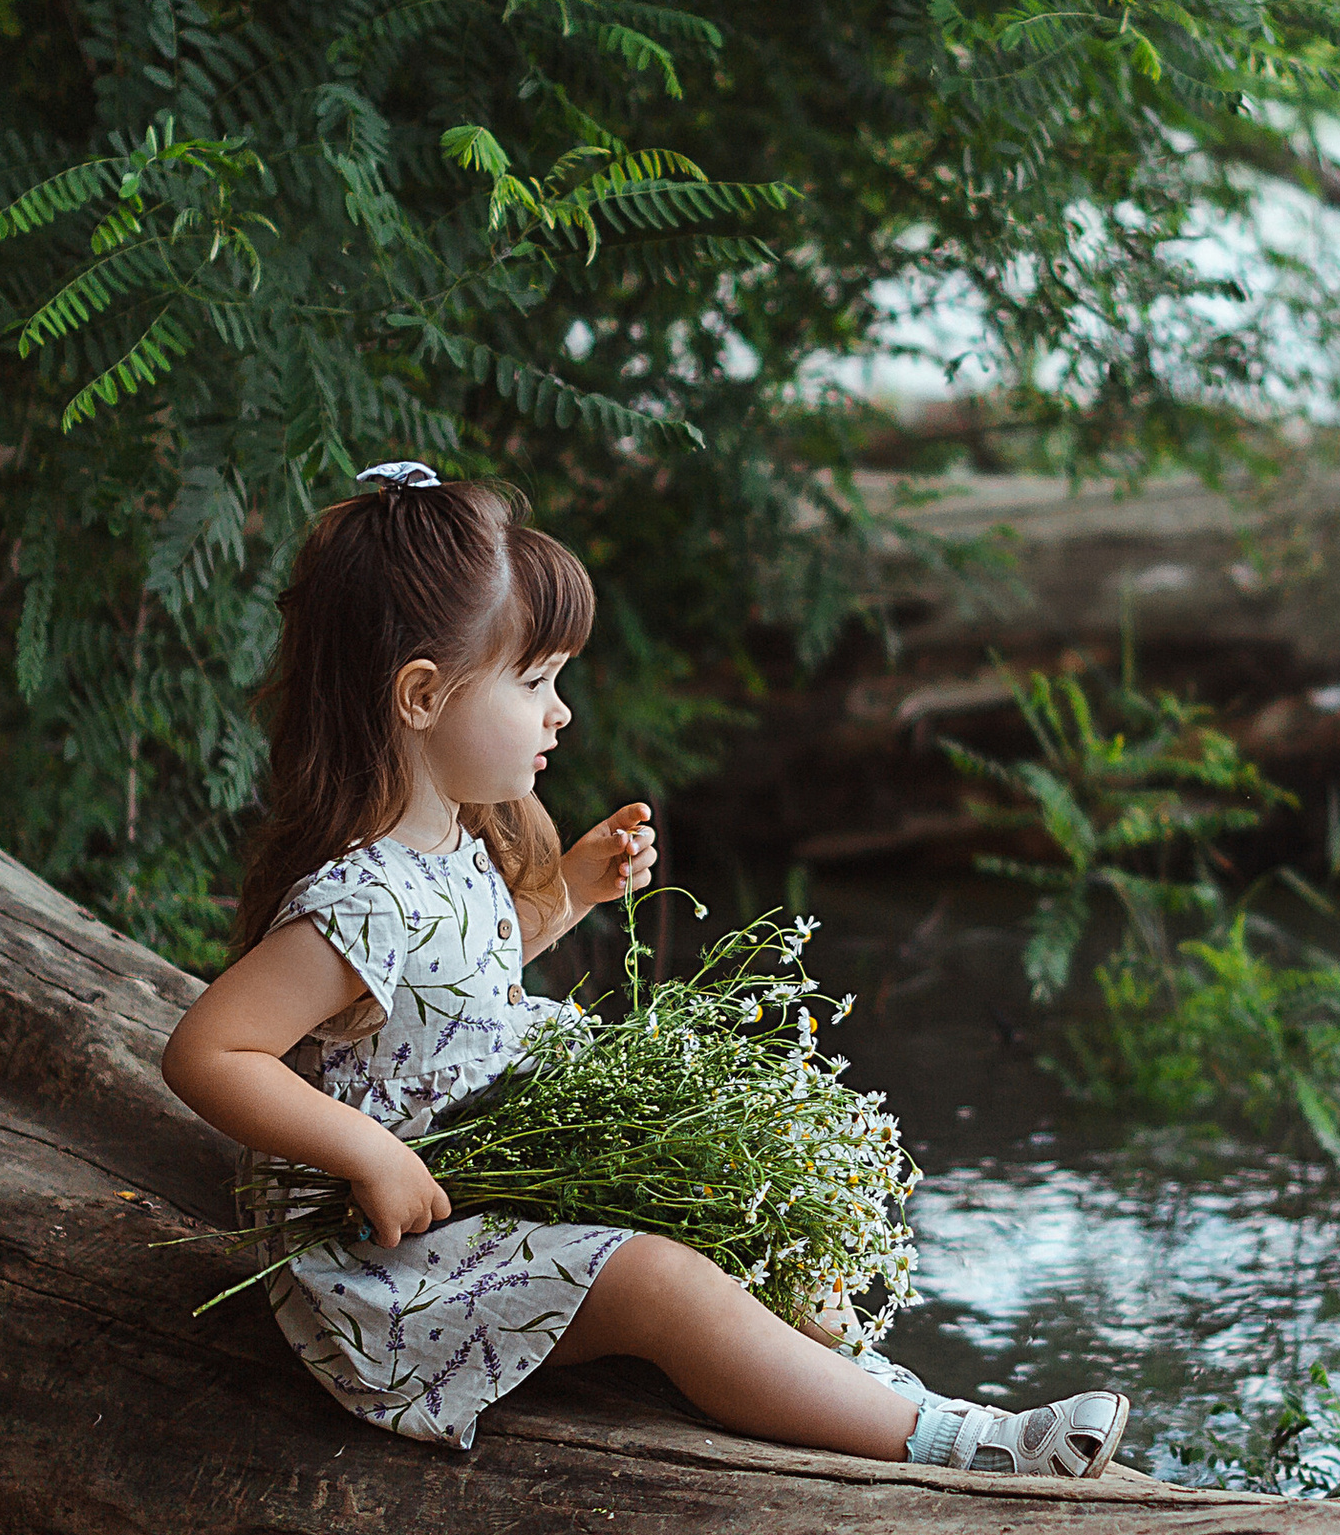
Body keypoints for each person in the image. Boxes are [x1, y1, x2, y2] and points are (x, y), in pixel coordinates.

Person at [161, 461, 1130, 1478]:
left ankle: (891, 1392)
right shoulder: (359, 897)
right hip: (397, 1264)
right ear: (422, 695)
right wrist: (367, 1152)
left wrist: (570, 893)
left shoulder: (451, 842)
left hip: (483, 1179)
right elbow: (210, 1051)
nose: (559, 712)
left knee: (738, 1186)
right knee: (664, 1283)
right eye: (534, 682)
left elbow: (451, 990)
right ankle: (951, 1447)